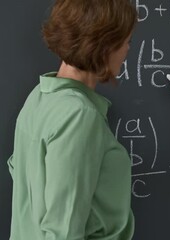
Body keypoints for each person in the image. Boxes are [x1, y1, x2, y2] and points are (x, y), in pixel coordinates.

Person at [7, 0, 137, 239]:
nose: (128, 50)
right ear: (105, 45)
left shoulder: (38, 97)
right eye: (126, 41)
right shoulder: (79, 115)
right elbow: (63, 230)